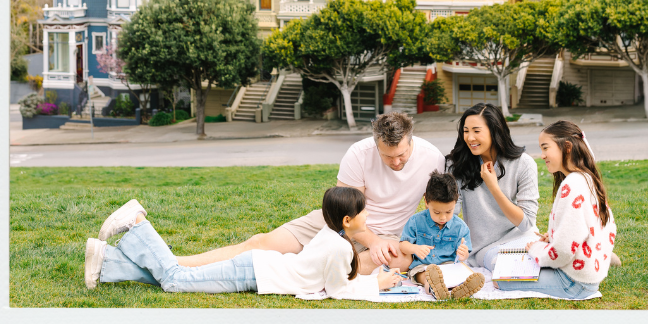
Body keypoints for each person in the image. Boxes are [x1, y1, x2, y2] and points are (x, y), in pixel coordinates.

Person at [173, 112, 445, 275]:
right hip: (343, 222)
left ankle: (299, 270)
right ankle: (180, 264)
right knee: (262, 243)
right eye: (389, 157)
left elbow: (437, 209)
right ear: (376, 146)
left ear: (412, 140)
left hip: (389, 237)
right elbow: (344, 212)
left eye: (402, 155)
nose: (397, 162)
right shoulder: (358, 154)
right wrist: (371, 240)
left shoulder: (432, 158)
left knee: (401, 259)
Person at [84, 187, 404, 298]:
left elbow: (336, 277)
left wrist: (371, 275)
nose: (368, 215)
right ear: (348, 221)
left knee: (179, 278)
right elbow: (337, 290)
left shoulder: (331, 235)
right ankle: (138, 222)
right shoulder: (337, 245)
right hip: (250, 273)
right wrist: (377, 284)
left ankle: (107, 262)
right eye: (363, 211)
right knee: (175, 280)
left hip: (254, 270)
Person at [495, 120, 618, 300]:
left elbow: (563, 252)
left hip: (573, 283)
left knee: (500, 280)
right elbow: (605, 229)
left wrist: (536, 250)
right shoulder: (587, 178)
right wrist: (553, 238)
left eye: (546, 148)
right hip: (586, 276)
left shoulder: (572, 185)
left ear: (567, 147)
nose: (542, 155)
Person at [445, 103, 541, 273]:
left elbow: (526, 224)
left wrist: (494, 187)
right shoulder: (456, 166)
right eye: (466, 131)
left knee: (542, 262)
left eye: (476, 131)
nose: (470, 138)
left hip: (521, 237)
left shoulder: (524, 164)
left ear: (495, 130)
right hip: (485, 247)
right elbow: (450, 213)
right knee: (506, 269)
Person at [398, 170, 484, 300]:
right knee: (426, 276)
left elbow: (464, 255)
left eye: (449, 212)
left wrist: (463, 253)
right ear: (426, 201)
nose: (443, 217)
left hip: (449, 266)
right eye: (437, 212)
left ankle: (460, 289)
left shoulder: (460, 227)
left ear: (455, 202)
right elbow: (403, 245)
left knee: (456, 276)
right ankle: (433, 288)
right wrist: (415, 248)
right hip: (423, 266)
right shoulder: (416, 221)